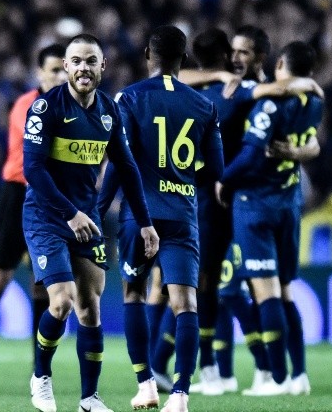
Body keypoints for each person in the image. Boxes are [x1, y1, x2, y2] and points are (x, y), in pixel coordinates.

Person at [167, 26, 321, 396]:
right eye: (233, 52)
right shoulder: (221, 85)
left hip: (254, 201)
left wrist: (299, 151)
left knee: (259, 290)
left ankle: (273, 372)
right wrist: (220, 74)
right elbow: (177, 78)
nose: (236, 58)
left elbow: (312, 140)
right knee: (216, 286)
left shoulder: (264, 92)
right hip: (220, 204)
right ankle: (214, 368)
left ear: (263, 59)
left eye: (245, 53)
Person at [23, 33, 159, 412]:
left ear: (103, 67)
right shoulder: (45, 109)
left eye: (91, 61)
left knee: (91, 308)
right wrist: (71, 213)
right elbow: (32, 170)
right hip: (48, 216)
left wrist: (146, 223)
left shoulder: (108, 112)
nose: (83, 67)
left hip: (88, 218)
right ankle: (41, 377)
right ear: (65, 67)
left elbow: (127, 168)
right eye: (76, 61)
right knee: (62, 302)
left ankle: (88, 398)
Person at [98, 25, 224, 412]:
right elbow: (216, 168)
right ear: (184, 60)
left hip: (141, 216)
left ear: (147, 56)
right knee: (186, 302)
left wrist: (98, 209)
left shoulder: (129, 98)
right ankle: (181, 395)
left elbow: (119, 162)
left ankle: (147, 385)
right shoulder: (204, 105)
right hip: (184, 214)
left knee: (134, 294)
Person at [215, 40, 323, 396]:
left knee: (266, 295)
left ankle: (276, 378)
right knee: (285, 292)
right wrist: (299, 151)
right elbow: (314, 143)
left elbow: (249, 157)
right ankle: (300, 375)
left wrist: (222, 178)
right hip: (290, 204)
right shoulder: (315, 101)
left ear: (277, 64)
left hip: (255, 204)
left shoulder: (268, 104)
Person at [0, 43, 67, 387]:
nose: (60, 75)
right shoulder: (27, 106)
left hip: (53, 200)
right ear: (39, 73)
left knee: (42, 288)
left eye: (63, 69)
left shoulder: (73, 108)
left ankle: (40, 369)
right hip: (18, 195)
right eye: (54, 69)